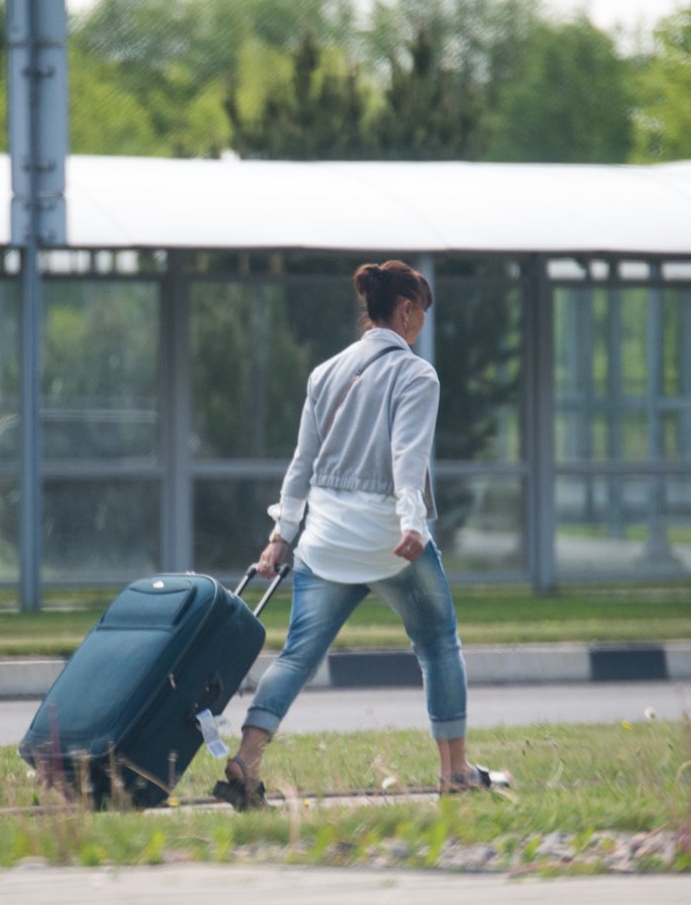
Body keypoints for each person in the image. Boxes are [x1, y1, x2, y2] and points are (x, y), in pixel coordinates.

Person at [213, 260, 505, 809]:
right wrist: (413, 523)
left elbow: (302, 463)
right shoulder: (417, 375)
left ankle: (247, 761)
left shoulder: (324, 372)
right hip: (384, 537)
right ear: (404, 310)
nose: (421, 324)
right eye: (421, 313)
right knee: (439, 644)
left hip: (323, 539)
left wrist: (281, 535)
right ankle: (455, 773)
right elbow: (407, 457)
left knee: (297, 654)